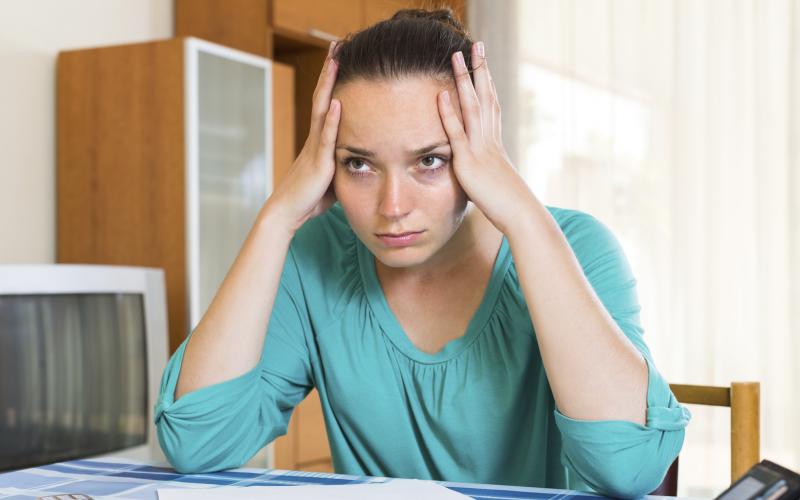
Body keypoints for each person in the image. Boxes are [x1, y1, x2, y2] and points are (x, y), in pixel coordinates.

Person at [154, 8, 690, 498]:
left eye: (429, 161)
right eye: (358, 164)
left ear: (479, 145)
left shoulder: (575, 247)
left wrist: (524, 217)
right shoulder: (313, 255)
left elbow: (630, 470)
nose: (392, 206)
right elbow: (196, 445)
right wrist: (277, 218)